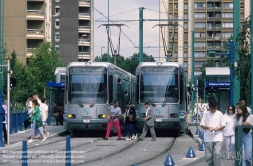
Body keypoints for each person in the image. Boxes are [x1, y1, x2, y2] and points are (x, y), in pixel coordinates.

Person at [200, 99, 225, 166]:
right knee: (208, 156)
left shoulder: (220, 114)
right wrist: (208, 127)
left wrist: (218, 128)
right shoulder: (205, 114)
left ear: (216, 107)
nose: (213, 110)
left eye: (214, 108)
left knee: (217, 154)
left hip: (218, 137)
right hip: (208, 138)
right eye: (212, 108)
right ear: (209, 107)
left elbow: (223, 125)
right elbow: (202, 125)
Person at [235, 102, 252, 166]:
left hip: (247, 136)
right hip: (239, 135)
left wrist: (250, 124)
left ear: (243, 108)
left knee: (248, 156)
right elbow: (234, 125)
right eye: (237, 108)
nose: (237, 109)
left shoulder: (250, 116)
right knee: (242, 156)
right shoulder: (237, 116)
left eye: (239, 108)